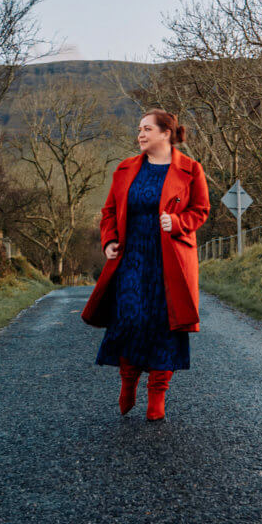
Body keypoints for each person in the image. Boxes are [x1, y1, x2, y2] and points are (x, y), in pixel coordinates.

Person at [81, 109, 210, 420]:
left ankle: (157, 393)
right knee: (130, 320)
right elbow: (109, 211)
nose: (140, 134)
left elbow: (201, 209)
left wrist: (177, 222)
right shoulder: (125, 169)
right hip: (131, 261)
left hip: (171, 262)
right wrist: (110, 241)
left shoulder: (191, 170)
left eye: (147, 129)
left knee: (165, 325)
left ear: (166, 133)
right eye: (139, 128)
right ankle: (128, 382)